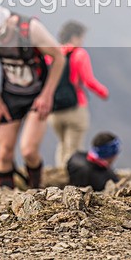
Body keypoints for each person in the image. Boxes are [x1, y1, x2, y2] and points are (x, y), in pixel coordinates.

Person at [0, 5, 65, 189]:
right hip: (10, 95)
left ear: (9, 21)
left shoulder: (31, 29)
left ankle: (35, 188)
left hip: (37, 95)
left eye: (2, 35)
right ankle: (4, 196)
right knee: (4, 153)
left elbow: (59, 57)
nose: (0, 41)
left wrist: (47, 95)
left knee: (28, 150)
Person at [47, 21, 110, 168]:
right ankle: (71, 176)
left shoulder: (51, 55)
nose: (82, 41)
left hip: (54, 110)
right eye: (81, 38)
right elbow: (88, 81)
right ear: (74, 37)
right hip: (75, 108)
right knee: (74, 148)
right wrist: (103, 92)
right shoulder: (79, 54)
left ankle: (60, 172)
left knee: (63, 144)